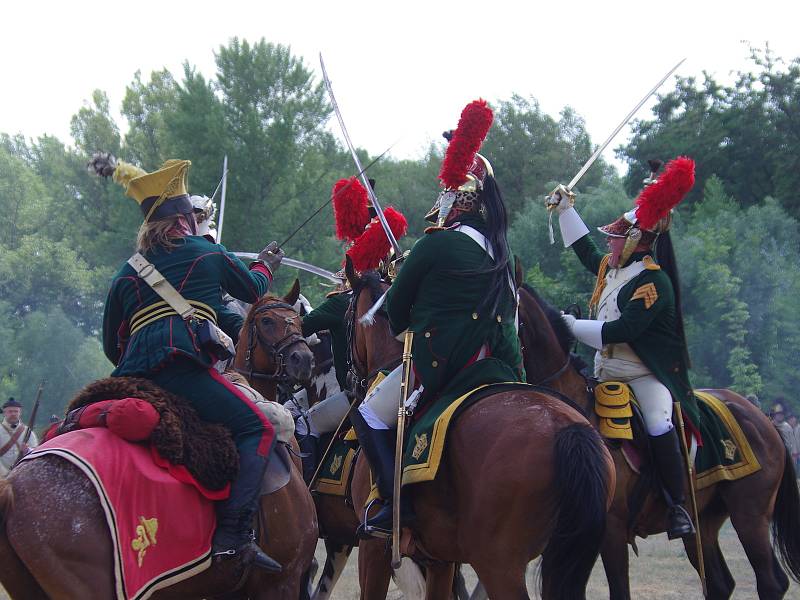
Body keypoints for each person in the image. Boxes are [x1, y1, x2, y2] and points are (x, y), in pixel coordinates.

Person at [88, 153, 284, 572]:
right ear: (185, 221)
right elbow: (251, 289)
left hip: (132, 376)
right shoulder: (204, 251)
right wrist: (266, 264)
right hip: (182, 369)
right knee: (259, 427)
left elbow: (111, 344)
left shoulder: (126, 271)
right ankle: (233, 537)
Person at [351, 100, 524, 536]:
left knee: (369, 414)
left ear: (455, 202)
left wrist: (414, 320)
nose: (439, 207)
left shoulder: (434, 244)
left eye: (443, 199)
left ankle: (394, 506)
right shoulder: (502, 253)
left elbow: (394, 310)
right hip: (497, 365)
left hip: (439, 365)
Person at [551, 157, 698, 540]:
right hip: (605, 374)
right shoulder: (614, 271)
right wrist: (567, 210)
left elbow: (621, 330)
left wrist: (567, 326)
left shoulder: (653, 282)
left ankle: (676, 503)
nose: (610, 240)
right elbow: (585, 252)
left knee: (657, 422)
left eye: (616, 236)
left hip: (643, 376)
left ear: (635, 240)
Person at [291, 177, 408, 483]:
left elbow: (298, 330)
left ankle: (308, 490)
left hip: (356, 391)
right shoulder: (398, 294)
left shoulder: (339, 303)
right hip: (403, 381)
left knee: (310, 421)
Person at [0, 397, 38, 476]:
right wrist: (5, 474)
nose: (13, 414)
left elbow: (36, 453)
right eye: (10, 411)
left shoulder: (28, 432)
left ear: (20, 413)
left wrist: (27, 450)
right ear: (4, 413)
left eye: (16, 411)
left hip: (22, 475)